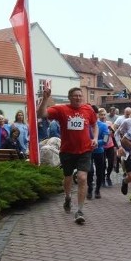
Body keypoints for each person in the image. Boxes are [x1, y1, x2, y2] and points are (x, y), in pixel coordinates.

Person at [37, 86, 97, 225]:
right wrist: (45, 99)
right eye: (75, 96)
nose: (78, 98)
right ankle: (68, 196)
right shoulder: (61, 109)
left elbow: (94, 125)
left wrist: (94, 137)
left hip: (85, 150)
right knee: (68, 177)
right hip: (67, 150)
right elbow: (41, 114)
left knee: (82, 178)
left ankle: (80, 210)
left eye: (80, 96)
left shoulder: (88, 109)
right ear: (69, 97)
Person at [87, 105, 109, 199]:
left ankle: (97, 190)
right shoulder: (86, 125)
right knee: (89, 171)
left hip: (99, 151)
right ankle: (90, 189)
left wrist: (95, 142)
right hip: (87, 151)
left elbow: (106, 139)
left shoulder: (103, 126)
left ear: (97, 114)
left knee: (100, 172)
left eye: (94, 113)